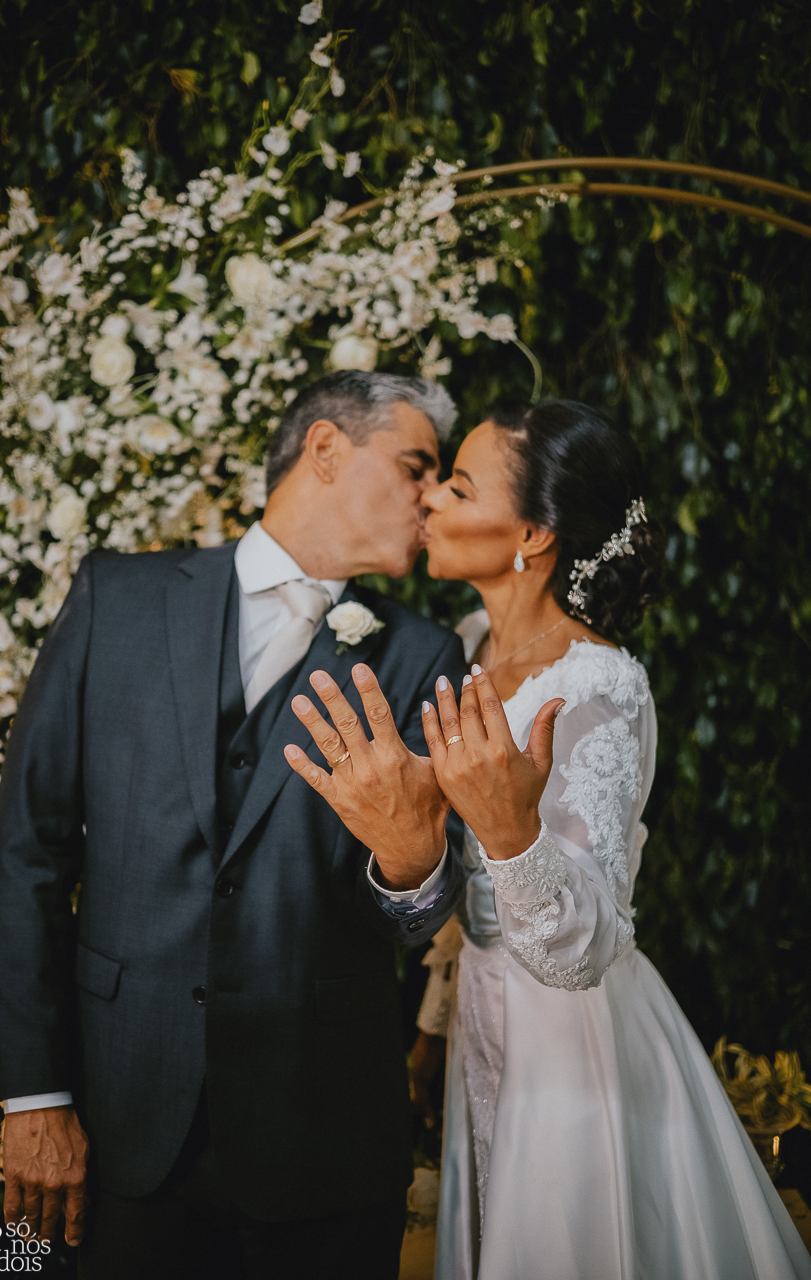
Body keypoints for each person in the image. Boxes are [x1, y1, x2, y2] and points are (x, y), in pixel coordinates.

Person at [287, 399, 811, 1280]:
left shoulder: (598, 686)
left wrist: (510, 832)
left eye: (458, 487)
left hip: (569, 1042)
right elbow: (459, 888)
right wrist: (434, 1022)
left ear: (531, 536)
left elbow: (586, 948)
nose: (430, 500)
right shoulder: (465, 646)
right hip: (481, 1014)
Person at [0, 370, 469, 1280]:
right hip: (118, 1123)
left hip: (321, 1143)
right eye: (417, 465)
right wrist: (35, 1097)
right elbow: (27, 852)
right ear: (325, 449)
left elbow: (412, 918)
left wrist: (413, 864)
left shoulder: (421, 655)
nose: (434, 495)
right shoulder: (116, 598)